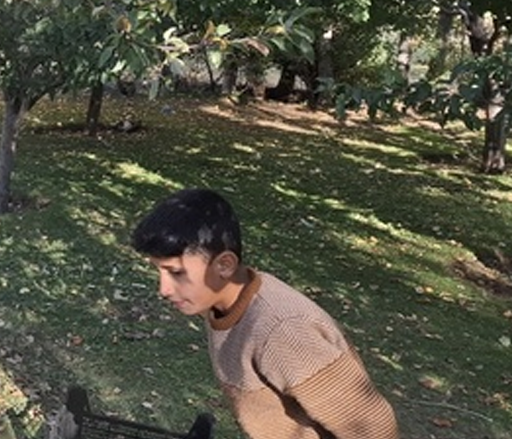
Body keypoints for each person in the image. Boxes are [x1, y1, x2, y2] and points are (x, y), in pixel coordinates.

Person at [130, 188, 399, 439]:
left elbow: (373, 428)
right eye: (159, 271)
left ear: (224, 265)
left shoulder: (283, 331)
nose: (163, 289)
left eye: (176, 273)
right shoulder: (223, 299)